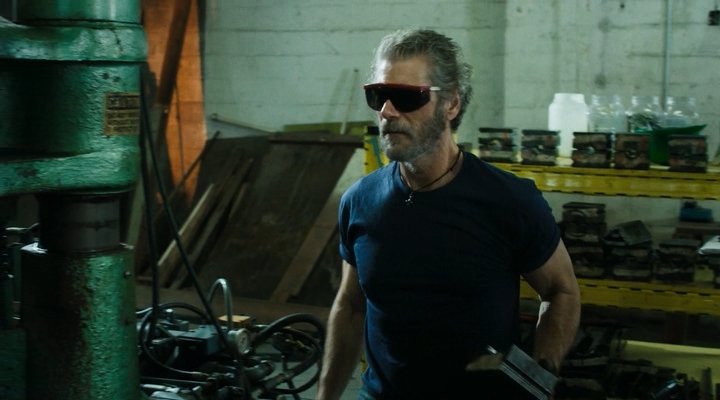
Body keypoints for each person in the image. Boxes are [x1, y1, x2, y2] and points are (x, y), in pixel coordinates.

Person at [317, 29, 581, 400]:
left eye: (406, 97)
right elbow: (351, 305)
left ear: (451, 104)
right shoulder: (360, 201)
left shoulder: (509, 201)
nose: (387, 111)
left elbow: (561, 290)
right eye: (378, 95)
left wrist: (540, 377)